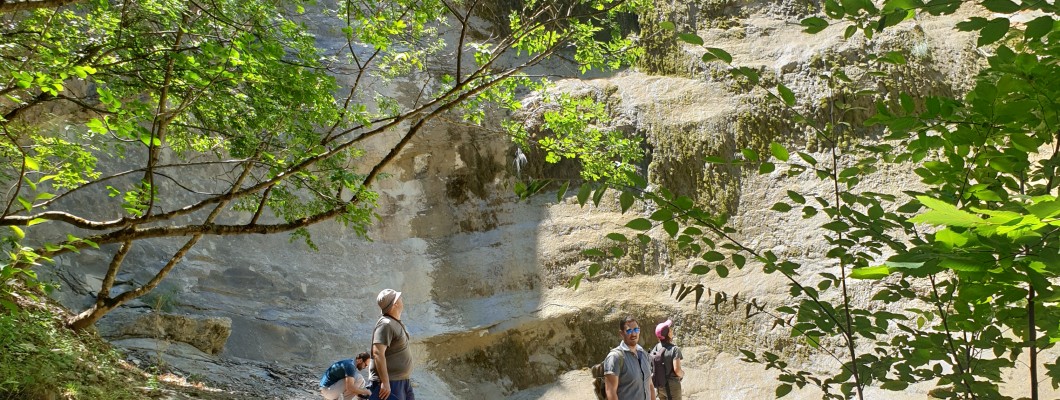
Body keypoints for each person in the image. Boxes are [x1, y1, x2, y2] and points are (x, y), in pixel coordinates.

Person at [369, 288, 414, 400]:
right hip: (390, 383)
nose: (402, 298)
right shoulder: (386, 324)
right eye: (399, 298)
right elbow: (378, 353)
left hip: (402, 381)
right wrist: (385, 382)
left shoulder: (394, 322)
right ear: (394, 304)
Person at [604, 316, 656, 400]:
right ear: (621, 333)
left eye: (636, 330)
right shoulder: (615, 357)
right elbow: (610, 391)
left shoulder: (644, 354)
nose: (634, 334)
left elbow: (649, 385)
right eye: (629, 330)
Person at [652, 319, 685, 400]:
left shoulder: (656, 348)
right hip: (672, 386)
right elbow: (677, 370)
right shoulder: (674, 349)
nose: (671, 330)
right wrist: (682, 374)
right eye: (670, 329)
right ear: (668, 333)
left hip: (660, 386)